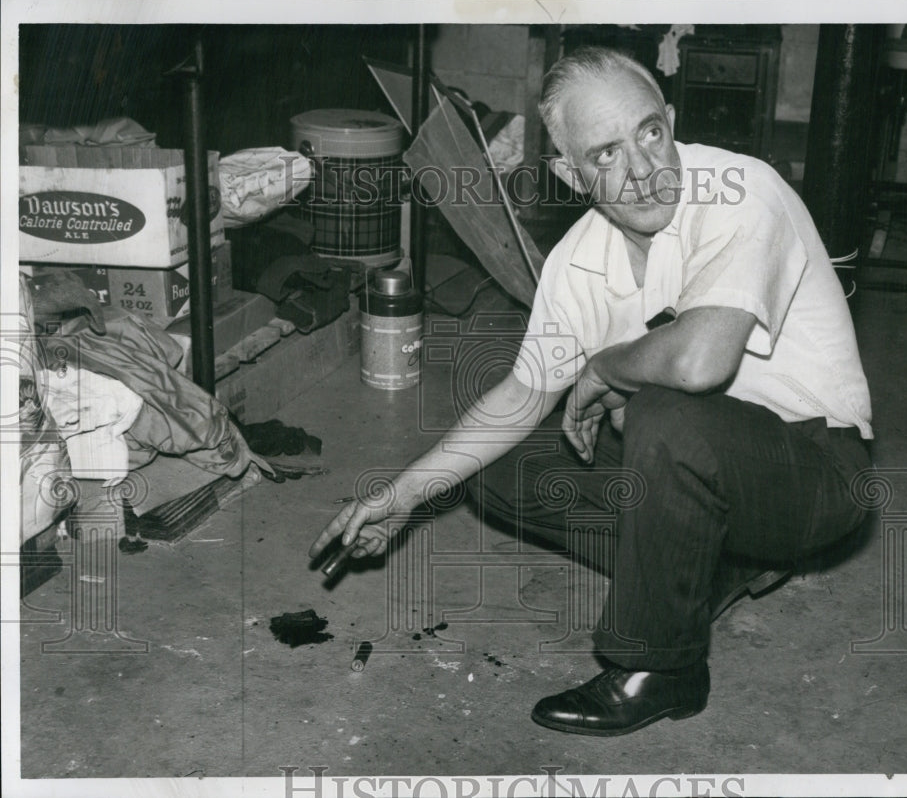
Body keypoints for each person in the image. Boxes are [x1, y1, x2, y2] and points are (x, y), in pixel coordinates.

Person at [309, 46, 873, 737]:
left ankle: (661, 668)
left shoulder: (739, 190)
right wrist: (401, 496)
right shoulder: (580, 259)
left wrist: (605, 367)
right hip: (702, 471)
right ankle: (711, 568)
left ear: (671, 120)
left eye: (650, 133)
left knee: (669, 415)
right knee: (500, 467)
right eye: (604, 155)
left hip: (814, 472)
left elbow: (700, 362)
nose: (641, 171)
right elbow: (520, 397)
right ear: (568, 173)